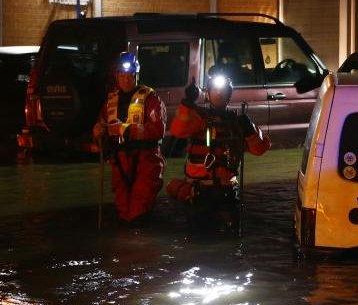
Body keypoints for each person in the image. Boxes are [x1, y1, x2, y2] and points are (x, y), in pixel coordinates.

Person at [166, 74, 271, 231]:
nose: (219, 93)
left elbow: (260, 148)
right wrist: (187, 103)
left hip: (226, 192)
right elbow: (177, 129)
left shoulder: (238, 122)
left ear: (229, 94)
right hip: (199, 191)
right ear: (208, 93)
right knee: (199, 231)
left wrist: (250, 130)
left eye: (222, 90)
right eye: (215, 90)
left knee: (229, 231)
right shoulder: (198, 117)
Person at [93, 51, 166, 223]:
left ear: (136, 76)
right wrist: (97, 132)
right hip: (120, 162)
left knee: (138, 212)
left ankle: (141, 246)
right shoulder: (111, 100)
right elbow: (102, 125)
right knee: (123, 212)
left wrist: (125, 129)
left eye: (130, 75)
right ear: (117, 76)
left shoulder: (151, 98)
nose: (126, 79)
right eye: (123, 75)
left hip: (146, 161)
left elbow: (158, 130)